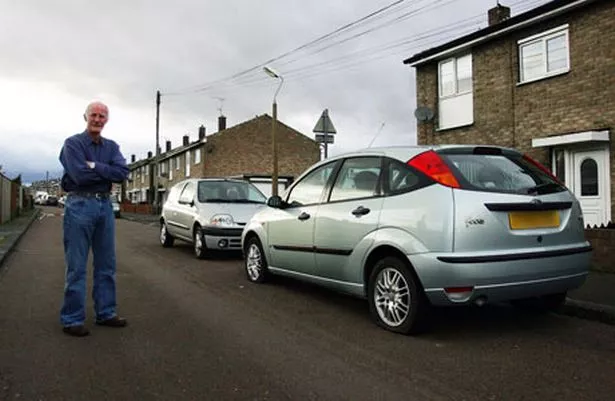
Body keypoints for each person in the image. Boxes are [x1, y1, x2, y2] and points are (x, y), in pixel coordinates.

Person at [58, 101, 130, 337]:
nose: (98, 119)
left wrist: (94, 165)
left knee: (106, 264)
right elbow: (78, 175)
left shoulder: (112, 146)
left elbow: (121, 174)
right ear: (85, 117)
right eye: (94, 115)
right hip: (79, 204)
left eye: (102, 116)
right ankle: (72, 319)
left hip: (104, 205)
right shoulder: (73, 144)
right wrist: (103, 172)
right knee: (77, 266)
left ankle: (106, 312)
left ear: (106, 120)